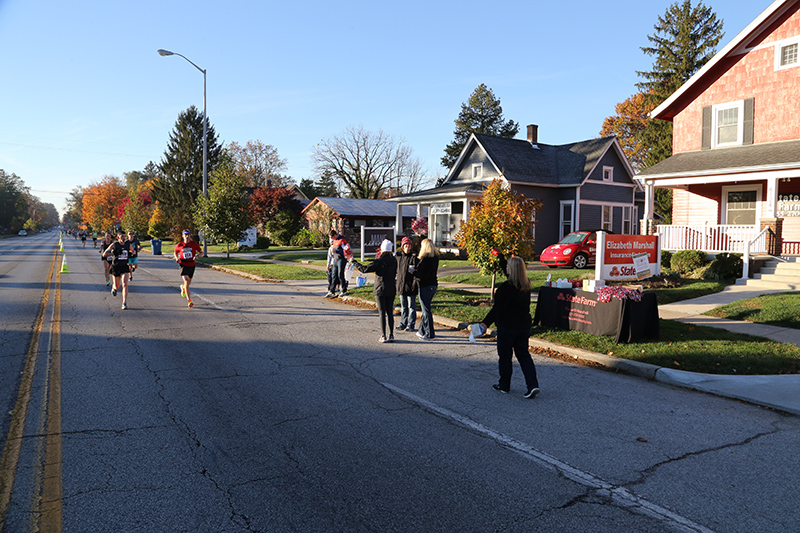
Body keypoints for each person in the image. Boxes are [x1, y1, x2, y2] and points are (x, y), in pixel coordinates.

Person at [479, 256, 540, 399]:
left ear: (511, 270)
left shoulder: (505, 288)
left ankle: (504, 385)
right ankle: (533, 385)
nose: (506, 268)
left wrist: (485, 323)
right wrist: (500, 257)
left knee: (505, 357)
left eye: (508, 267)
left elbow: (497, 309)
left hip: (507, 327)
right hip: (523, 327)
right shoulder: (526, 285)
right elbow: (511, 274)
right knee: (524, 355)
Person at [354, 239, 398, 343]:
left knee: (382, 313)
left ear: (382, 249)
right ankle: (391, 334)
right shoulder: (394, 261)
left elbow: (364, 269)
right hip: (391, 288)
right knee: (390, 312)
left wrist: (354, 262)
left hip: (380, 289)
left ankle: (383, 335)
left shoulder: (380, 262)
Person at [413, 237, 439, 341]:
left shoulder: (425, 260)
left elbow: (422, 275)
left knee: (426, 310)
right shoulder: (435, 258)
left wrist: (413, 272)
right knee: (425, 309)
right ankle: (421, 330)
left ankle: (430, 333)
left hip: (425, 286)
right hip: (433, 285)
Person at [102, 231, 132, 310]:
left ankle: (124, 303)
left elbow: (133, 251)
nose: (123, 238)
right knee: (117, 286)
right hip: (116, 267)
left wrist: (131, 253)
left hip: (124, 266)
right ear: (118, 237)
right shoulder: (114, 245)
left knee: (125, 284)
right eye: (121, 236)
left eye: (124, 236)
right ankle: (114, 288)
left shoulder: (128, 245)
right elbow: (104, 254)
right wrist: (114, 254)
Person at [174, 230, 203, 308]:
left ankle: (183, 287)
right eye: (185, 235)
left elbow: (201, 252)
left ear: (190, 236)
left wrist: (197, 256)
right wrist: (176, 258)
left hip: (192, 264)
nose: (187, 236)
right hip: (183, 264)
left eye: (188, 235)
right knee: (186, 280)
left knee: (188, 282)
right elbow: (175, 252)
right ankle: (189, 301)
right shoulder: (180, 244)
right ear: (183, 236)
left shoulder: (194, 244)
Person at [395, 236, 418, 332]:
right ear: (402, 246)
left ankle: (411, 324)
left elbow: (417, 271)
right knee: (403, 306)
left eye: (409, 245)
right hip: (401, 285)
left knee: (411, 306)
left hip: (411, 285)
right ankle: (403, 323)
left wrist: (414, 284)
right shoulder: (398, 257)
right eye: (405, 245)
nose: (407, 247)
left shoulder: (414, 257)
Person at [324, 232, 340, 298]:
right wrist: (328, 266)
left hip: (337, 263)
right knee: (330, 277)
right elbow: (329, 257)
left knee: (337, 276)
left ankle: (336, 288)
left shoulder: (338, 247)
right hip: (332, 264)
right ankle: (332, 287)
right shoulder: (330, 249)